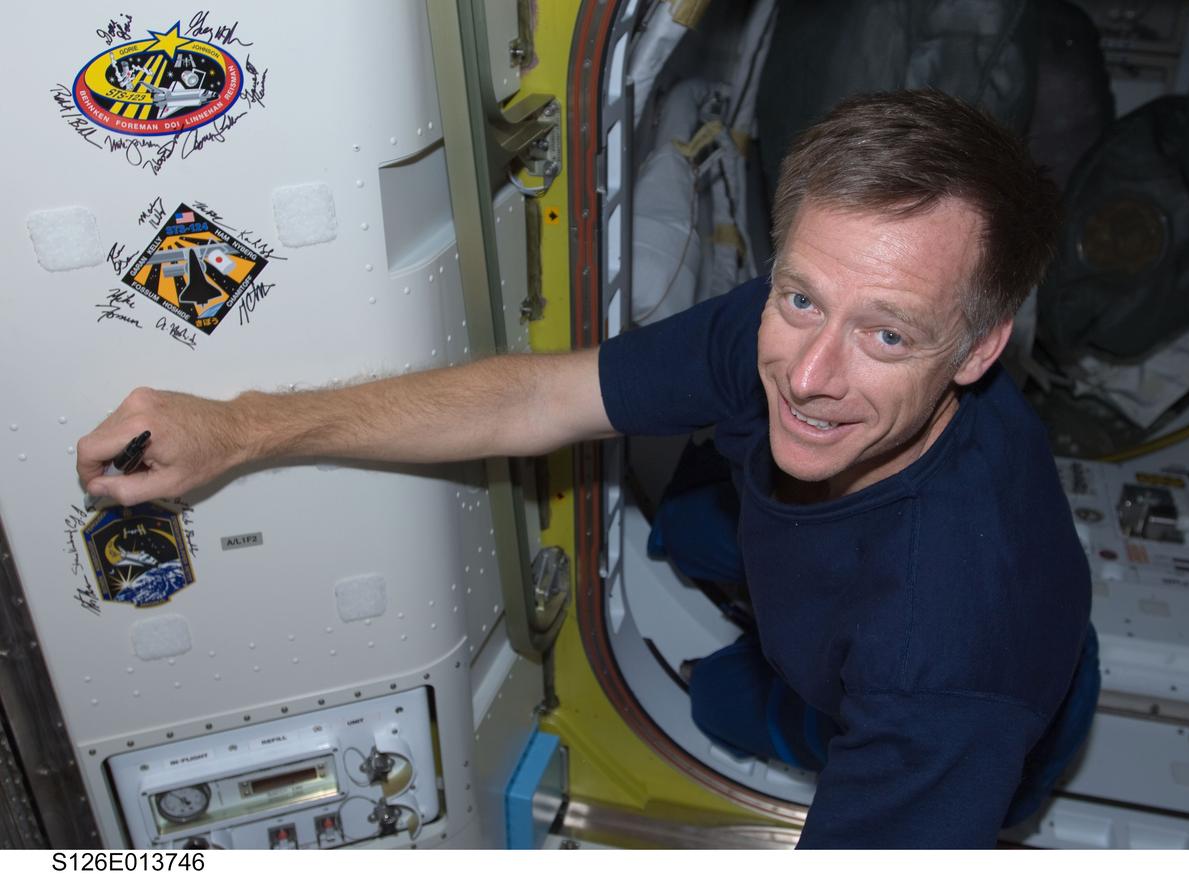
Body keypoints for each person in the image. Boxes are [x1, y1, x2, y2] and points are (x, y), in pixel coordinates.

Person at [77, 89, 1094, 848]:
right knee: (690, 521)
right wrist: (243, 426)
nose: (810, 376)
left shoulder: (944, 669)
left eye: (886, 336)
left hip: (943, 701)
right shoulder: (788, 334)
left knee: (716, 703)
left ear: (973, 352)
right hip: (835, 589)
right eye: (799, 298)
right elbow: (538, 398)